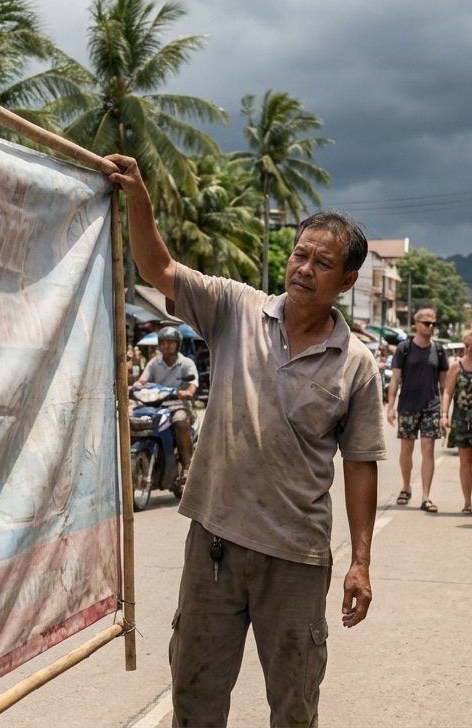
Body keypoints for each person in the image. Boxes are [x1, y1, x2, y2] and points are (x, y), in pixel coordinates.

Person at [106, 153, 384, 726]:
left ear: (348, 281)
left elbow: (360, 464)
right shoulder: (236, 308)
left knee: (294, 706)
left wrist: (360, 561)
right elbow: (158, 267)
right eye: (299, 254)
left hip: (297, 559)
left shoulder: (356, 365)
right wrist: (138, 197)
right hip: (214, 546)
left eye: (322, 262)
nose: (303, 268)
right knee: (195, 698)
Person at [386, 306, 447, 512]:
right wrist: (391, 406)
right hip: (408, 405)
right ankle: (406, 487)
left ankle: (426, 496)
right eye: (426, 323)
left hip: (431, 407)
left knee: (428, 449)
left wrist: (444, 412)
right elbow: (395, 379)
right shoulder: (404, 348)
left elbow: (444, 386)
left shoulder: (438, 350)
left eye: (433, 324)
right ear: (416, 325)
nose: (430, 327)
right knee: (406, 449)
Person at [133, 326, 198, 480]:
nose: (166, 346)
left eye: (170, 342)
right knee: (136, 419)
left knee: (181, 422)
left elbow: (193, 383)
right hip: (156, 405)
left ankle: (188, 467)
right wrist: (137, 385)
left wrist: (188, 392)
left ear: (178, 344)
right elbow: (143, 380)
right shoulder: (154, 363)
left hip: (179, 405)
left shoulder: (186, 363)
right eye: (162, 343)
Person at [443, 328, 472, 516]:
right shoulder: (456, 366)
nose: (469, 349)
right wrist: (444, 414)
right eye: (466, 345)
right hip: (461, 419)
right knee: (465, 461)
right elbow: (448, 391)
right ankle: (468, 502)